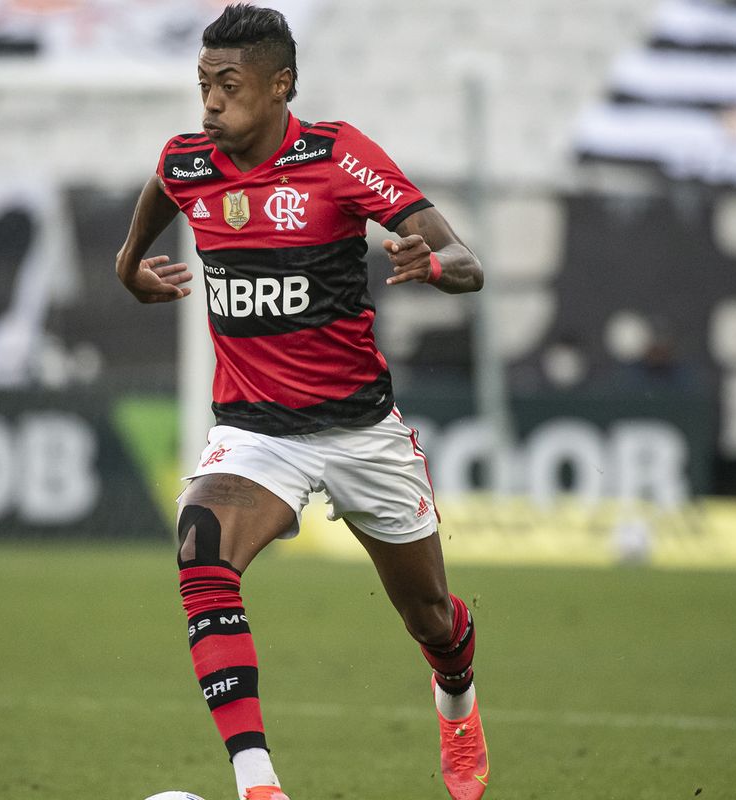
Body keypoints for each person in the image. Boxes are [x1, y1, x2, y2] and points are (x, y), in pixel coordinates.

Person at [113, 6, 488, 800]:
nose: (211, 103)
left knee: (431, 619)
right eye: (203, 85)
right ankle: (259, 786)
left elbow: (467, 261)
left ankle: (456, 697)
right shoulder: (188, 163)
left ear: (281, 84)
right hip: (256, 433)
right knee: (200, 548)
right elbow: (156, 198)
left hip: (360, 430)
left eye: (228, 85)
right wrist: (129, 267)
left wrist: (433, 264)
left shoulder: (337, 156)